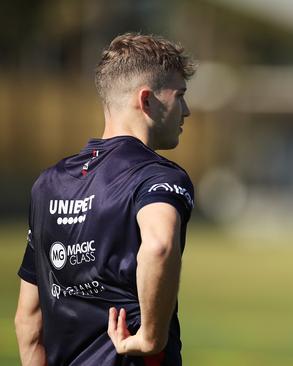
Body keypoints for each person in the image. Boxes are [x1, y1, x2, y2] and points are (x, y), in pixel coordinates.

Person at [14, 32, 196, 365]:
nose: (186, 111)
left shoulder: (48, 183)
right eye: (179, 96)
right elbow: (159, 246)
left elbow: (28, 322)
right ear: (146, 101)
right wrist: (151, 338)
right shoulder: (158, 176)